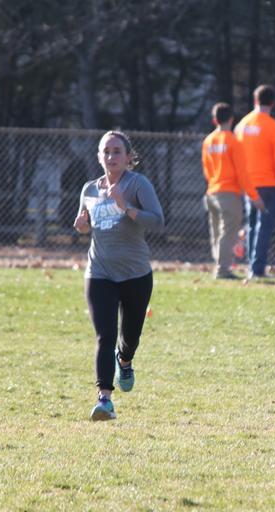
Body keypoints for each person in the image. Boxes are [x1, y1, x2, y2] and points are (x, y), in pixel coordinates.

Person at [74, 130, 165, 420]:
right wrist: (82, 225)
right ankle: (104, 400)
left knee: (129, 338)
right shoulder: (89, 189)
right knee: (105, 335)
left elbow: (158, 221)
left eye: (117, 151)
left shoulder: (137, 184)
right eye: (106, 151)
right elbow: (86, 223)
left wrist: (126, 207)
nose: (111, 156)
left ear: (128, 157)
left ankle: (124, 361)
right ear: (99, 157)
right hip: (99, 272)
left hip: (135, 274)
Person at [201, 102, 264, 279]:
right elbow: (242, 172)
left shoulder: (208, 141)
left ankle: (219, 265)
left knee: (216, 232)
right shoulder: (233, 141)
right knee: (228, 231)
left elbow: (207, 170)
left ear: (214, 120)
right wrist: (254, 196)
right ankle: (223, 269)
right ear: (231, 119)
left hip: (212, 191)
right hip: (228, 193)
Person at [235, 84, 275, 278]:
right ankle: (257, 269)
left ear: (255, 100)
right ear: (272, 103)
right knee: (264, 227)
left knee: (251, 225)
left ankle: (252, 266)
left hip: (248, 183)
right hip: (269, 183)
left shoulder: (241, 126)